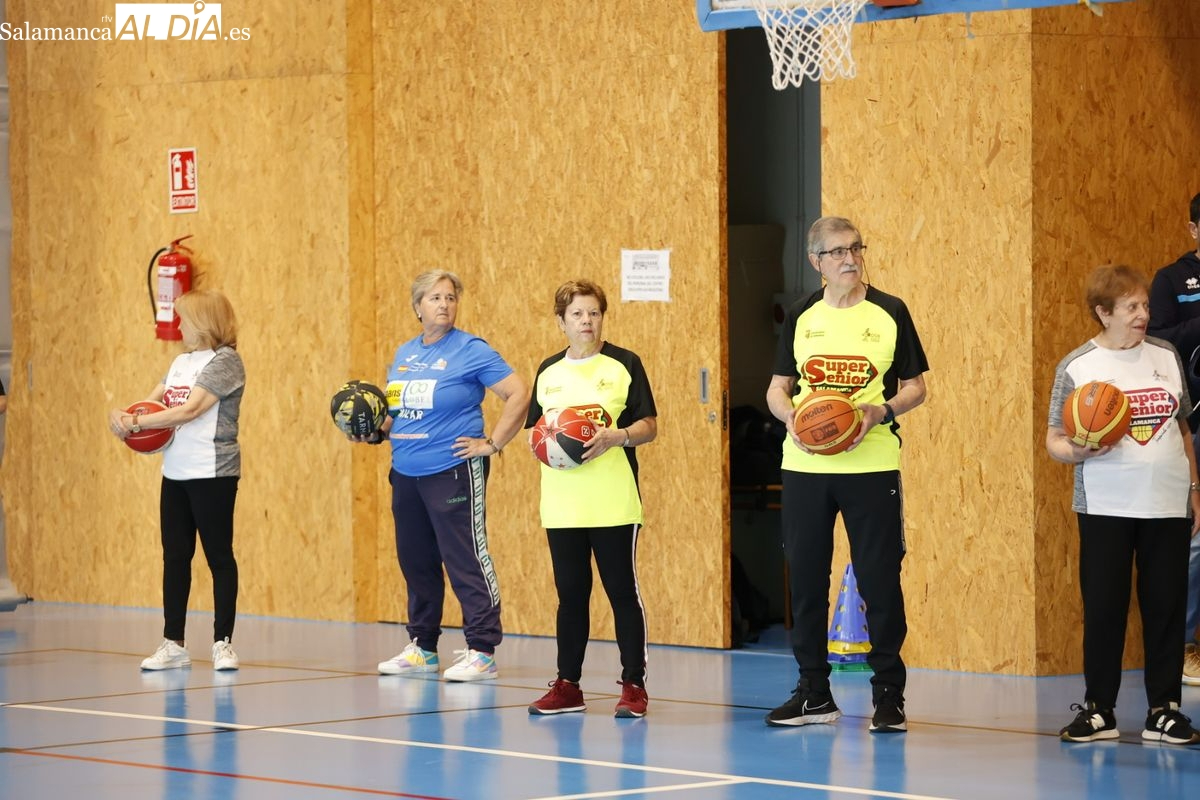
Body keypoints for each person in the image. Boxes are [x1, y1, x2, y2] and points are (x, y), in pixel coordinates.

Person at [764, 216, 929, 734]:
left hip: (871, 465)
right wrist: (791, 416)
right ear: (816, 262)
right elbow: (776, 386)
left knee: (880, 582)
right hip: (806, 468)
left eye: (855, 248)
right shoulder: (801, 316)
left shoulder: (890, 311)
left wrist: (880, 411)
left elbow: (917, 387)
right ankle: (815, 693)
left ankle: (889, 697)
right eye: (836, 252)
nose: (849, 259)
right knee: (808, 583)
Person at [1048, 264, 1200, 745]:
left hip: (1167, 503)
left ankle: (1164, 711)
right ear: (1103, 313)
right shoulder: (1078, 366)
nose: (1143, 314)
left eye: (1145, 306)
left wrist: (1194, 490)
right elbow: (1053, 438)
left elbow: (1182, 427)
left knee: (1166, 608)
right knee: (1105, 607)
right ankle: (1099, 710)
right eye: (1132, 307)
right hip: (1106, 506)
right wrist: (1077, 451)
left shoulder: (1166, 355)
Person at [368, 270, 529, 682]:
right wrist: (372, 430)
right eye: (435, 297)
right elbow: (396, 412)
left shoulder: (471, 350)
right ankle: (423, 647)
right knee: (416, 561)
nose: (444, 304)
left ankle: (482, 649)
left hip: (453, 469)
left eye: (450, 297)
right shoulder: (404, 353)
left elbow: (518, 393)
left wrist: (492, 443)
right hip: (406, 471)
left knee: (465, 558)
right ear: (417, 307)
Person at [524, 279, 658, 718]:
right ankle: (568, 685)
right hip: (562, 505)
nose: (587, 321)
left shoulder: (624, 364)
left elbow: (649, 426)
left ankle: (633, 685)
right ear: (561, 321)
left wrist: (617, 436)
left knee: (622, 592)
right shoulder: (548, 371)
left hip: (613, 501)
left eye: (594, 313)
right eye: (577, 314)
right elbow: (532, 430)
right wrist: (545, 442)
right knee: (571, 595)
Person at [108, 289, 245, 672]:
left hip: (212, 472)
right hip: (176, 472)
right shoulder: (180, 362)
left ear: (203, 321)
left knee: (218, 556)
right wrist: (122, 416)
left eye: (184, 317)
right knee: (175, 557)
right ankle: (173, 642)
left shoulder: (226, 361)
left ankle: (223, 643)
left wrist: (136, 423)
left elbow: (189, 410)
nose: (180, 324)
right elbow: (151, 403)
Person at [1147, 192, 1200, 685]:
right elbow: (1160, 341)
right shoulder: (1171, 280)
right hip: (1195, 420)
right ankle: (1184, 647)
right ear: (1193, 230)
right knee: (1195, 538)